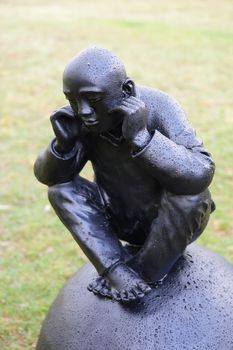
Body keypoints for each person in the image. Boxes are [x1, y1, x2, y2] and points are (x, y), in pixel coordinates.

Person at [34, 47, 215, 302]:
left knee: (193, 197)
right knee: (61, 190)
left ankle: (144, 273)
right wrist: (62, 146)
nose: (84, 110)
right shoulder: (86, 119)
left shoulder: (161, 107)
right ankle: (115, 269)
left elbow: (200, 173)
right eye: (73, 100)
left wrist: (142, 139)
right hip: (116, 217)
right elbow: (50, 178)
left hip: (169, 222)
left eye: (93, 99)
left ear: (127, 91)